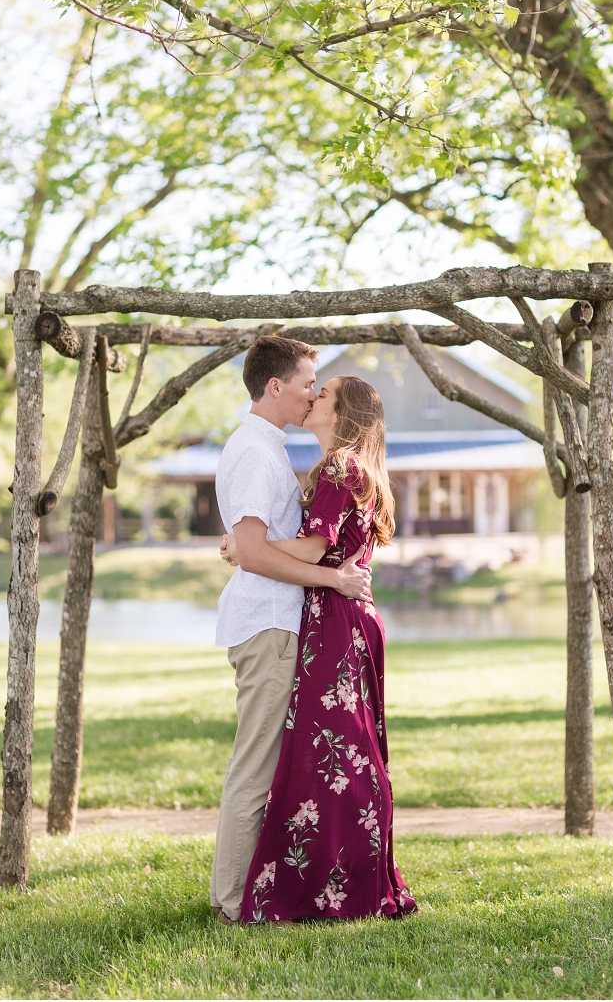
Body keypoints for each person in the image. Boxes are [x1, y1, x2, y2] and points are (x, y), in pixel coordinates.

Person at [221, 375, 417, 923]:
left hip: (334, 616)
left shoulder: (339, 467)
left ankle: (334, 886)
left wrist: (244, 545)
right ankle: (345, 880)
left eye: (322, 393)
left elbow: (312, 547)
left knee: (333, 753)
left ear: (344, 411)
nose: (312, 398)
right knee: (348, 751)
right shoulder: (356, 468)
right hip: (352, 616)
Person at [210, 337, 372, 925]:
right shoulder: (256, 452)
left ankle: (236, 892)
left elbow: (251, 545)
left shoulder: (268, 449)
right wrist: (330, 581)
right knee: (256, 768)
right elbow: (253, 553)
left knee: (263, 766)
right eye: (307, 382)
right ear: (275, 387)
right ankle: (233, 902)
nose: (312, 393)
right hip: (269, 623)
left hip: (277, 621)